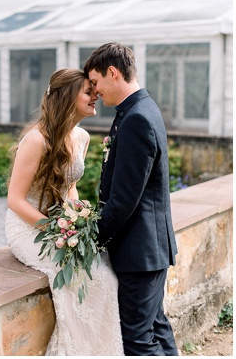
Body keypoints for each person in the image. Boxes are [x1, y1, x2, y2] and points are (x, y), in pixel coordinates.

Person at [5, 68, 124, 356]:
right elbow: (15, 200)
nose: (95, 95)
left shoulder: (81, 137)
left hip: (63, 228)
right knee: (94, 277)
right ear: (69, 97)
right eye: (88, 91)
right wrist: (55, 231)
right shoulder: (36, 140)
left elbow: (70, 188)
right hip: (30, 229)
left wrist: (78, 217)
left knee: (108, 273)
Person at [84, 42, 178, 356]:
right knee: (156, 328)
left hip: (139, 252)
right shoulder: (142, 108)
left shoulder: (136, 117)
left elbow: (124, 199)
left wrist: (90, 240)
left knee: (138, 341)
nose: (95, 91)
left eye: (95, 82)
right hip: (149, 249)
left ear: (113, 73)